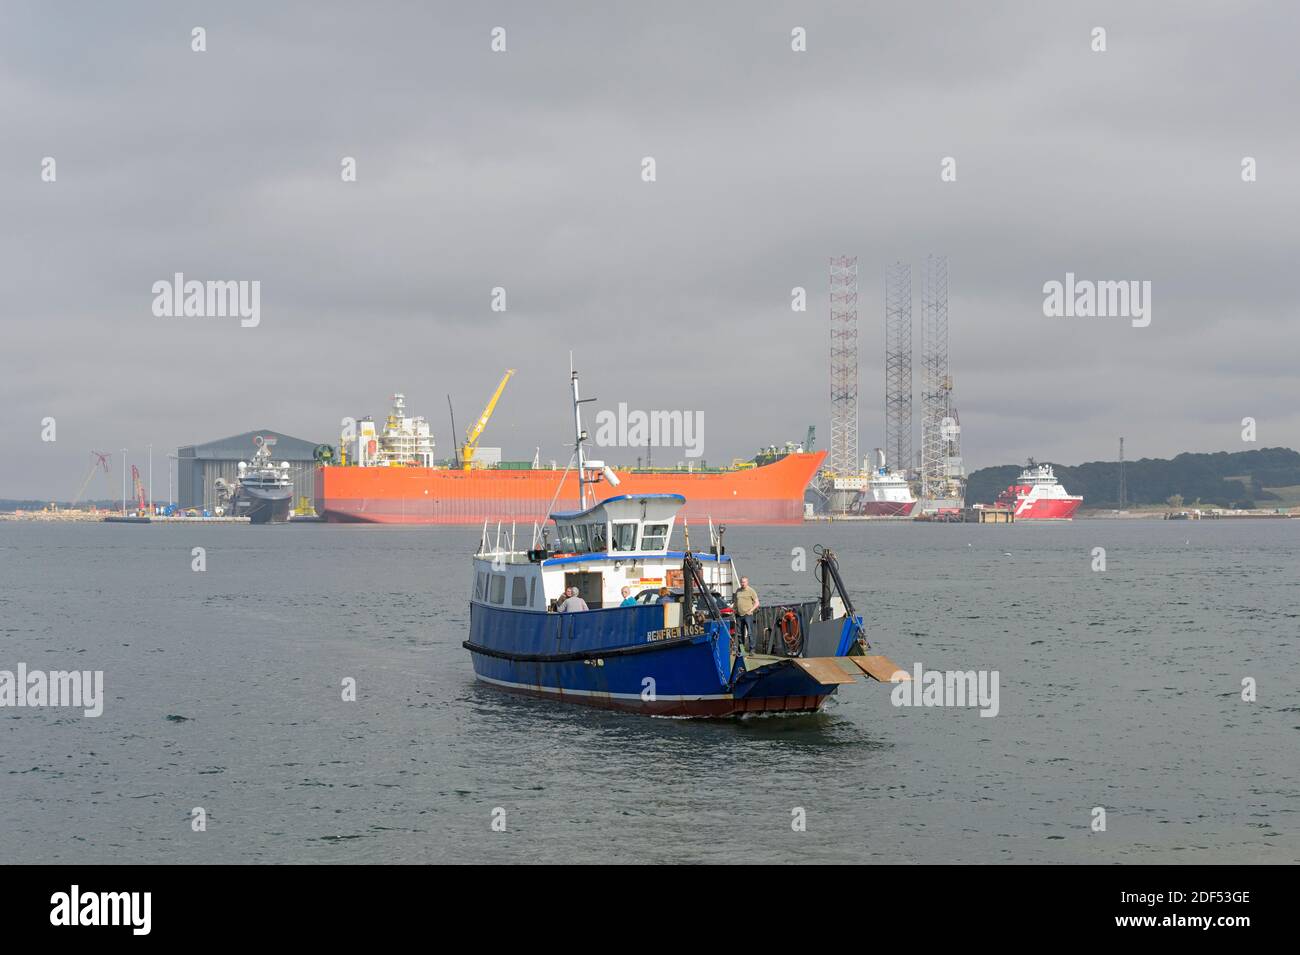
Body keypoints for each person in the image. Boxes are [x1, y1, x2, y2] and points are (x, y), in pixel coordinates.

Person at [732, 576, 760, 651]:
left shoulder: (751, 591)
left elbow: (757, 603)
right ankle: (742, 650)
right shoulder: (738, 590)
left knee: (750, 633)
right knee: (740, 634)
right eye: (741, 582)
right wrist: (734, 609)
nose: (742, 583)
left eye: (744, 582)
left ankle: (752, 650)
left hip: (748, 615)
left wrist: (751, 610)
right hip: (738, 615)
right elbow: (735, 602)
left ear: (747, 582)